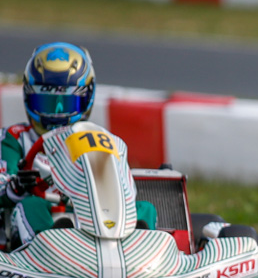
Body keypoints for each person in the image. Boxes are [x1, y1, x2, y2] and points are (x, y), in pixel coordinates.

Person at [1, 42, 156, 249]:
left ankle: (141, 251)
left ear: (86, 99)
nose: (57, 114)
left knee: (145, 209)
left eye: (66, 104)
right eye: (47, 103)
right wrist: (17, 186)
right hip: (43, 224)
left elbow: (126, 190)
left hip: (94, 218)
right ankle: (50, 247)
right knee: (31, 205)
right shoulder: (14, 138)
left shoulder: (99, 140)